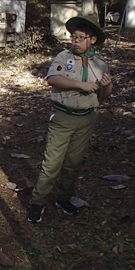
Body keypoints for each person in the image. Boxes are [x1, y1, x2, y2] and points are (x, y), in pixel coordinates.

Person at [27, 15, 112, 223]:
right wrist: (80, 85)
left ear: (91, 39)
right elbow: (52, 79)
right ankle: (37, 203)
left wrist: (107, 85)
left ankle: (63, 199)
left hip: (86, 119)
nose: (74, 41)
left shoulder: (100, 64)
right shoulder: (64, 57)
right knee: (52, 163)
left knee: (73, 163)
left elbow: (103, 96)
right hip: (63, 117)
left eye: (80, 37)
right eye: (72, 37)